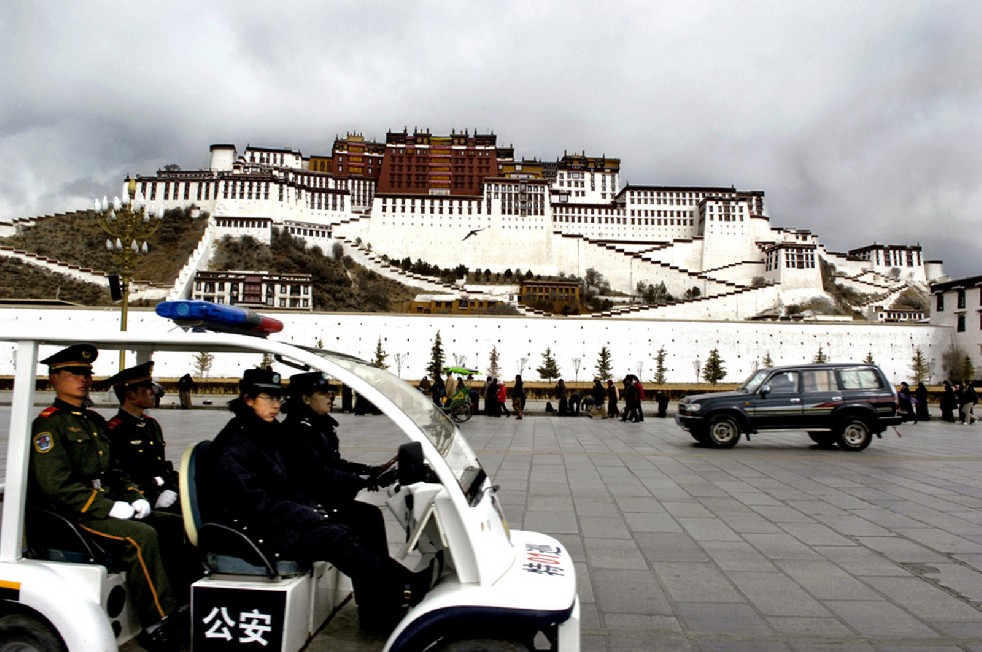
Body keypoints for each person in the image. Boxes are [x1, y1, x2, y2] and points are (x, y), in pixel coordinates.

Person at [203, 368, 434, 633]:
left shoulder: (265, 433)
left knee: (344, 530)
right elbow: (256, 503)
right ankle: (403, 589)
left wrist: (312, 509)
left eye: (278, 397)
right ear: (248, 400)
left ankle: (394, 595)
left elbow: (289, 484)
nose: (276, 404)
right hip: (256, 528)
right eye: (268, 397)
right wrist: (310, 513)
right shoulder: (234, 446)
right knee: (338, 535)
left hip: (277, 518)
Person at [28, 345, 186, 650]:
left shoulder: (94, 421)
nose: (83, 379)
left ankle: (179, 603)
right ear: (54, 378)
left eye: (86, 373)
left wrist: (133, 496)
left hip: (104, 505)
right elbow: (56, 486)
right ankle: (158, 622)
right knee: (141, 536)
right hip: (76, 513)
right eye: (74, 373)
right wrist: (109, 507)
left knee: (172, 525)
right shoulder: (49, 424)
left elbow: (114, 471)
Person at [106, 362, 180, 515]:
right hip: (136, 500)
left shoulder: (151, 425)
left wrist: (171, 488)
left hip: (161, 493)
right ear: (130, 395)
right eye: (147, 388)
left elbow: (162, 465)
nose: (153, 392)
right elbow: (115, 475)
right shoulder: (115, 430)